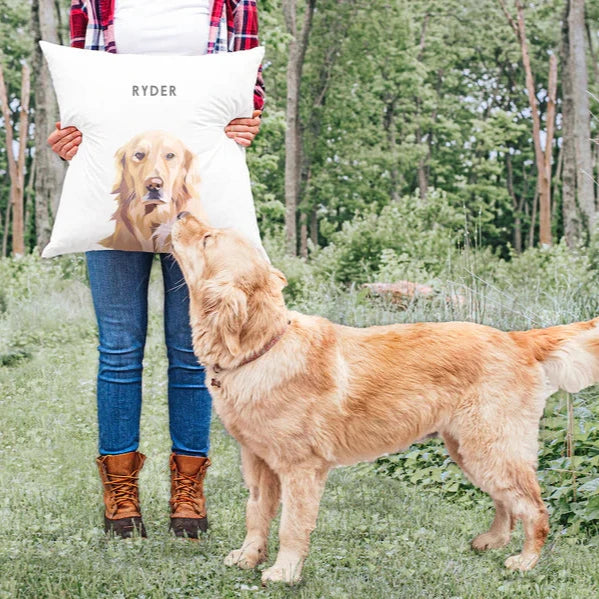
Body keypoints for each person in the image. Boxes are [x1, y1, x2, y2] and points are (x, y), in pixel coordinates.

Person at [47, 0, 264, 539]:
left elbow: (249, 87)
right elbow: (83, 96)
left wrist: (245, 120)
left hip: (198, 207)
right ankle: (119, 491)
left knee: (192, 351)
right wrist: (68, 136)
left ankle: (187, 490)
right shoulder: (92, 4)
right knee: (119, 350)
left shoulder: (234, 3)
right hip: (110, 208)